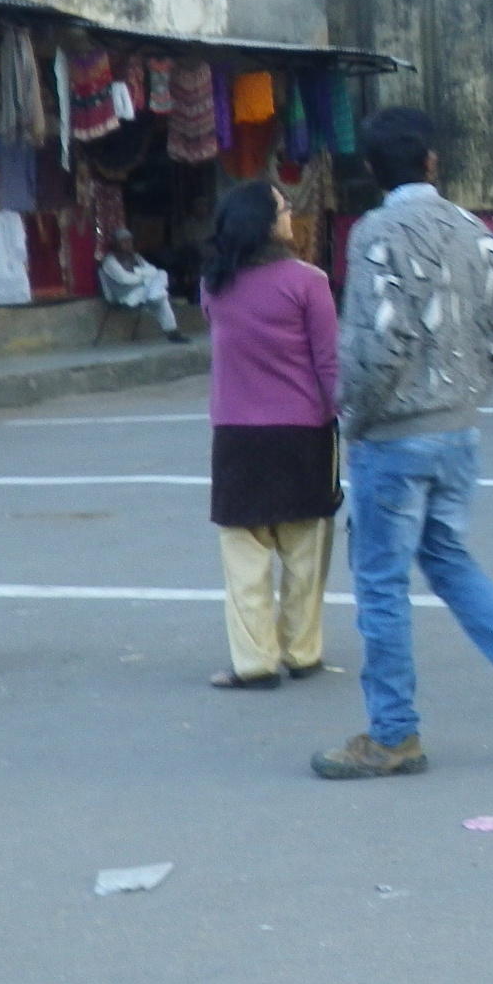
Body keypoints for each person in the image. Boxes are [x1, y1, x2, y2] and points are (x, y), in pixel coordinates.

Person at [313, 108, 493, 778]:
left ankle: (394, 734)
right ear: (431, 161)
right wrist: (463, 399)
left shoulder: (375, 233)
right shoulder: (474, 230)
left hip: (394, 435)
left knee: (380, 584)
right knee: (448, 559)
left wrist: (356, 417)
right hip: (458, 427)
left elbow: (377, 343)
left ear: (371, 169)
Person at [199, 180, 340, 689]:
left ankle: (254, 663)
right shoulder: (309, 282)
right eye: (283, 209)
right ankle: (302, 651)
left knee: (244, 553)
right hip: (304, 434)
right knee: (305, 550)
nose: (289, 215)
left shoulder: (214, 284)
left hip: (236, 436)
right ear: (266, 223)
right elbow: (329, 363)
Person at [98, 229, 187, 342]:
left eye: (129, 241)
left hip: (142, 291)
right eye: (124, 242)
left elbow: (153, 270)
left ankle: (172, 330)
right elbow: (125, 279)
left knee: (161, 274)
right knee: (161, 296)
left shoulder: (136, 257)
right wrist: (145, 278)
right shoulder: (110, 261)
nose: (128, 244)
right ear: (116, 244)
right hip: (126, 296)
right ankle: (172, 331)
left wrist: (137, 272)